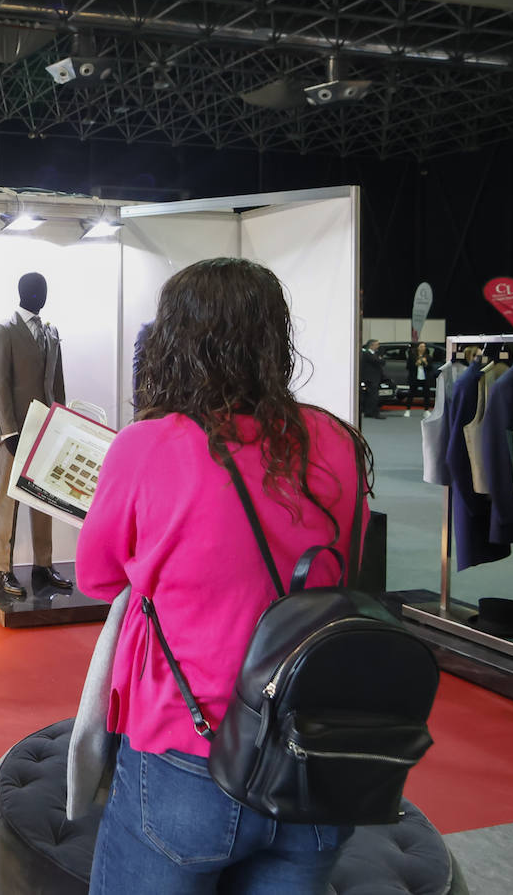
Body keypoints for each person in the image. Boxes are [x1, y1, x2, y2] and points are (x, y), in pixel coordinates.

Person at [77, 257, 371, 893]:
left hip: (191, 746)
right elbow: (344, 566)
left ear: (177, 341)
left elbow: (99, 579)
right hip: (313, 756)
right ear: (274, 339)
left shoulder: (147, 445)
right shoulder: (338, 442)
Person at [0, 272, 73, 596]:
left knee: (44, 498)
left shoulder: (51, 332)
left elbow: (57, 383)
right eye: (35, 289)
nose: (41, 294)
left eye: (44, 289)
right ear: (22, 292)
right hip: (16, 430)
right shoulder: (4, 331)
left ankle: (43, 564)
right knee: (9, 499)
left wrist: (63, 422)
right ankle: (3, 569)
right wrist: (8, 429)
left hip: (46, 428)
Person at [405, 341, 437, 417]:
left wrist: (426, 363)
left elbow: (431, 368)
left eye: (424, 346)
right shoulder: (412, 356)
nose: (423, 348)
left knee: (426, 394)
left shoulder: (428, 357)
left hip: (425, 378)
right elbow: (408, 367)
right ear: (418, 348)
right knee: (411, 394)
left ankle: (426, 410)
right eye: (421, 346)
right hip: (414, 378)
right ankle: (408, 410)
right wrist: (416, 364)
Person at [360, 338, 386, 419]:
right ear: (371, 345)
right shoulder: (366, 354)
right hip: (370, 378)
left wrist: (380, 359)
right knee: (373, 396)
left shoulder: (376, 354)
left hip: (376, 377)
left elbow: (383, 361)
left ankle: (369, 412)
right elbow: (378, 361)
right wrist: (380, 359)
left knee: (372, 395)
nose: (378, 346)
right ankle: (374, 412)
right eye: (377, 344)